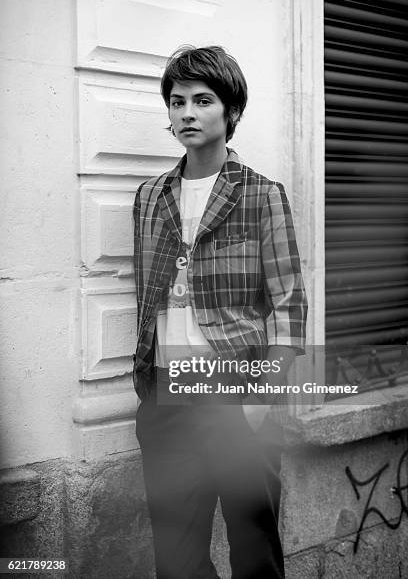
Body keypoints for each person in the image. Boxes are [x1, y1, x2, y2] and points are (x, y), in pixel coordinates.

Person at [132, 45, 307, 579]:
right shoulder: (149, 196)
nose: (186, 112)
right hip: (167, 397)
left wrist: (260, 397)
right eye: (177, 100)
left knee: (254, 554)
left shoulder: (261, 195)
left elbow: (288, 306)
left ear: (230, 113)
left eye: (202, 100)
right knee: (177, 562)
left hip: (236, 394)